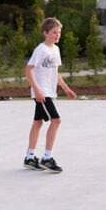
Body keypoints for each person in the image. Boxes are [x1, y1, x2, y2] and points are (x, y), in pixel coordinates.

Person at [23, 17, 77, 173]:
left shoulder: (55, 50)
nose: (57, 35)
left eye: (59, 32)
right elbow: (28, 70)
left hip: (49, 91)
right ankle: (47, 158)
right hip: (42, 92)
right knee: (56, 120)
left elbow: (55, 72)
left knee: (38, 122)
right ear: (45, 33)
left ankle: (30, 157)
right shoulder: (41, 50)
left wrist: (66, 88)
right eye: (54, 32)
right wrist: (37, 91)